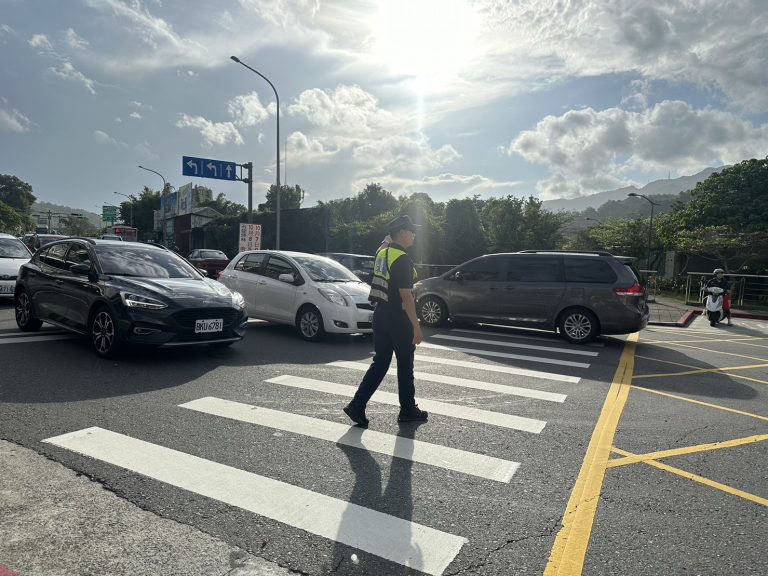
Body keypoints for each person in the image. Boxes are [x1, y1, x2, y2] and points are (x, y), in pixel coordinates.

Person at [343, 215, 427, 427]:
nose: (414, 234)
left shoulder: (383, 253)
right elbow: (406, 296)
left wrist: (387, 239)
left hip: (380, 315)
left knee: (380, 362)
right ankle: (408, 409)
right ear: (401, 233)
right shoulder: (403, 259)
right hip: (398, 319)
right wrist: (416, 327)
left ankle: (357, 405)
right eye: (411, 231)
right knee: (405, 365)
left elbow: (383, 247)